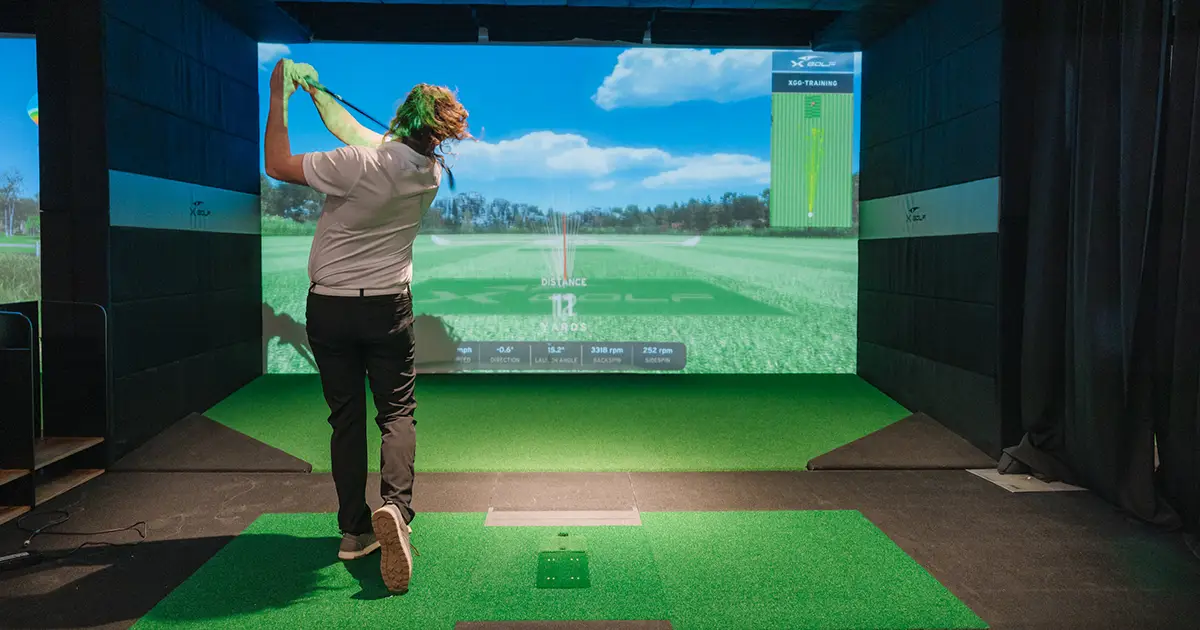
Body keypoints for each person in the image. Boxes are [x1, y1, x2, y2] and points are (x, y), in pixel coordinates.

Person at [263, 58, 470, 594]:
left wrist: (279, 96)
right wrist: (316, 91)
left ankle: (354, 531)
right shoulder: (429, 172)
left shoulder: (357, 163)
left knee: (346, 420)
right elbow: (357, 130)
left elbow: (278, 164)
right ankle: (396, 510)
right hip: (388, 310)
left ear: (401, 117)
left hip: (330, 308)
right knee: (397, 413)